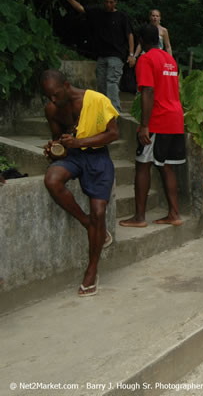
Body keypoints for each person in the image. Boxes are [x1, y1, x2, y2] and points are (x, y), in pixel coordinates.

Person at [41, 69, 120, 297]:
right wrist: (54, 151)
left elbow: (112, 133)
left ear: (66, 85)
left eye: (56, 94)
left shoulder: (96, 100)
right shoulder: (52, 110)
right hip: (74, 157)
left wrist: (79, 141)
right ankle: (89, 225)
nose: (53, 100)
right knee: (52, 180)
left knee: (99, 210)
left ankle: (92, 270)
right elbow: (61, 146)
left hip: (97, 156)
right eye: (48, 97)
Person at [119, 24, 185, 228]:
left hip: (159, 119)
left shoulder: (146, 59)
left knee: (142, 165)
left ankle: (139, 217)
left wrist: (145, 126)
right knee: (166, 166)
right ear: (158, 39)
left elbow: (147, 91)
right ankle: (174, 214)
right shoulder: (170, 59)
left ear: (141, 41)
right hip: (175, 118)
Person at [58, 0, 135, 112]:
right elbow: (81, 8)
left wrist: (131, 54)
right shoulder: (98, 13)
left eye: (111, 2)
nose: (108, 4)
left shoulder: (122, 17)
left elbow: (130, 35)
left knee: (112, 82)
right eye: (106, 2)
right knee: (101, 84)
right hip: (101, 55)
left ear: (115, 3)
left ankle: (114, 110)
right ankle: (103, 109)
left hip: (116, 55)